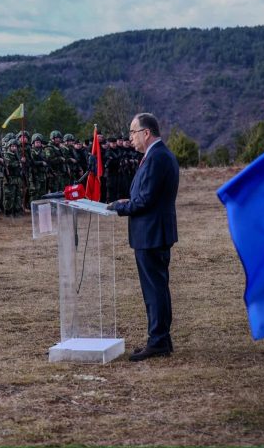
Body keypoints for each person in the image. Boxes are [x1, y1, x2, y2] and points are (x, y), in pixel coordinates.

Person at [107, 113, 179, 362]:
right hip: (153, 231)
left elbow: (146, 201)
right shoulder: (156, 156)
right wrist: (130, 201)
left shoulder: (157, 158)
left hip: (151, 233)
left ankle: (158, 341)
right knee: (156, 288)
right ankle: (161, 338)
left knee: (154, 290)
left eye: (132, 133)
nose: (130, 139)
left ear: (146, 133)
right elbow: (148, 196)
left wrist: (120, 207)